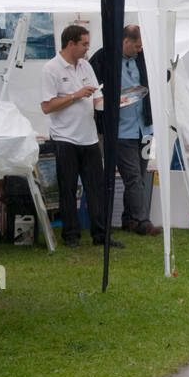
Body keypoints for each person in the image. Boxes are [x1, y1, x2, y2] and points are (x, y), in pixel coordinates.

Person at [40, 24, 120, 249]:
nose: (87, 48)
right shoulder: (51, 69)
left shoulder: (86, 67)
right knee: (68, 187)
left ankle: (101, 234)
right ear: (71, 44)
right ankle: (71, 235)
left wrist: (116, 104)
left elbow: (97, 100)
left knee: (96, 187)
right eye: (84, 44)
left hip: (89, 137)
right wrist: (75, 96)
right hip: (65, 137)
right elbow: (47, 106)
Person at [90, 24, 161, 237]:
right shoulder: (103, 58)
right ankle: (143, 220)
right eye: (136, 46)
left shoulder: (144, 58)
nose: (139, 50)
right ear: (125, 41)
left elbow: (158, 79)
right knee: (132, 177)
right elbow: (93, 88)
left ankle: (129, 219)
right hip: (120, 130)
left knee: (140, 174)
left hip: (145, 127)